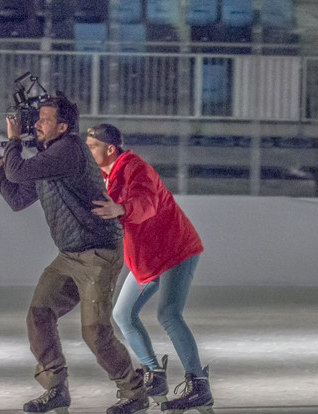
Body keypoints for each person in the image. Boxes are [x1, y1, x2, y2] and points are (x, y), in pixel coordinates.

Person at [0, 95, 148, 414]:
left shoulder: (69, 150)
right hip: (69, 255)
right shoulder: (49, 159)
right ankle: (56, 389)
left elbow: (20, 172)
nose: (37, 124)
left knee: (94, 332)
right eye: (38, 119)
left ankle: (134, 392)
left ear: (63, 126)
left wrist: (13, 141)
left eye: (44, 119)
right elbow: (17, 197)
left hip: (98, 253)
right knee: (39, 315)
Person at [85, 123, 214, 414]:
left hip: (176, 250)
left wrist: (121, 209)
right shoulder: (106, 175)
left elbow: (146, 204)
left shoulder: (135, 167)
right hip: (149, 258)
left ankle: (199, 385)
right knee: (123, 314)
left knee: (168, 313)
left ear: (109, 148)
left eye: (92, 146)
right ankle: (155, 376)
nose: (87, 150)